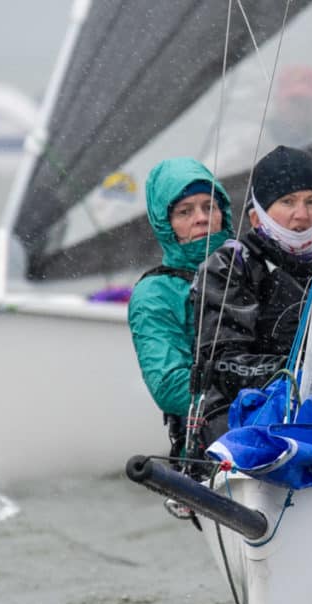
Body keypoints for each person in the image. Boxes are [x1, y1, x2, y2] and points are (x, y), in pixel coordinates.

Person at [189, 145, 312, 447]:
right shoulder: (229, 266)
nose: (302, 215)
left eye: (311, 201)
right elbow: (223, 365)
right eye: (287, 201)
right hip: (238, 413)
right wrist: (301, 372)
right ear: (256, 217)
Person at [127, 157, 233, 451]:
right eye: (185, 211)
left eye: (208, 206)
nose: (200, 218)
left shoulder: (255, 269)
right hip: (207, 451)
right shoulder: (155, 294)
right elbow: (169, 385)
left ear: (222, 212)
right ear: (166, 224)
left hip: (281, 433)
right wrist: (251, 396)